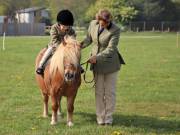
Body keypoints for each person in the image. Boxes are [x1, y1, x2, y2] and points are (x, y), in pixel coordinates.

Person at [81, 9, 125, 125]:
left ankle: (109, 119)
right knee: (99, 92)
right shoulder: (92, 24)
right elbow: (88, 39)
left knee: (110, 93)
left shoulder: (115, 30)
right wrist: (79, 45)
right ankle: (100, 119)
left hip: (110, 64)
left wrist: (96, 57)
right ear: (97, 19)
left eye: (105, 23)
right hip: (97, 64)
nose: (103, 25)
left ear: (109, 20)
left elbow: (111, 49)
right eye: (101, 22)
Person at [36, 9, 84, 75]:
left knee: (73, 56)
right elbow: (54, 40)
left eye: (67, 26)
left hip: (67, 48)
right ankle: (40, 66)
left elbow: (73, 39)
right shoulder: (54, 28)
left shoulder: (71, 30)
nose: (65, 28)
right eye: (64, 26)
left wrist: (70, 47)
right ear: (59, 23)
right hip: (55, 46)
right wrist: (62, 48)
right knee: (47, 52)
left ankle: (79, 66)